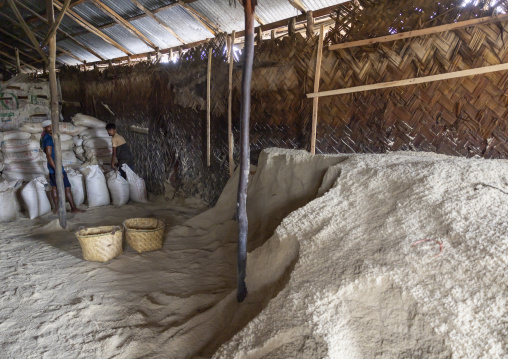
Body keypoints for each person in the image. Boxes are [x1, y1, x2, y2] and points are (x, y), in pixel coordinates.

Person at [41, 120, 85, 214]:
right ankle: (73, 208)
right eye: (48, 127)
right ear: (44, 128)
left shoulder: (45, 137)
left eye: (52, 126)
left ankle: (57, 209)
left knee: (54, 187)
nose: (51, 128)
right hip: (55, 167)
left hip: (52, 167)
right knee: (67, 187)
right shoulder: (48, 139)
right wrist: (57, 170)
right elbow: (48, 155)